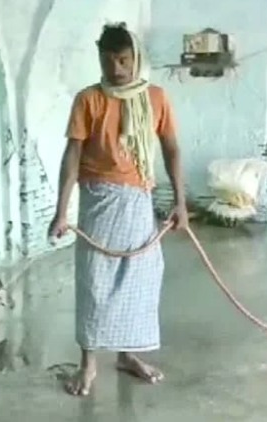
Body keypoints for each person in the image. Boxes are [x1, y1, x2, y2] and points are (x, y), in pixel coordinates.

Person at [47, 22, 188, 397]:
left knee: (139, 280)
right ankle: (88, 365)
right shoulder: (88, 99)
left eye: (123, 60)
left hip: (139, 200)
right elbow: (72, 155)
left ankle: (127, 355)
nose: (116, 69)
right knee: (95, 281)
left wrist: (181, 203)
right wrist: (62, 212)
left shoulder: (156, 97)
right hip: (98, 200)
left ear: (136, 58)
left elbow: (172, 149)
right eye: (108, 60)